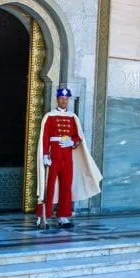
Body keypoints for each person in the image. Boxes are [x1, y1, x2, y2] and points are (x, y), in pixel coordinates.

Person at [36, 87, 102, 229]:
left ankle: (63, 216)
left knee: (66, 186)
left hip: (67, 156)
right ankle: (44, 216)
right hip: (53, 155)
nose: (64, 101)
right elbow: (45, 137)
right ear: (57, 99)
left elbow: (78, 136)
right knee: (49, 186)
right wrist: (45, 155)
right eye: (61, 99)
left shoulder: (73, 117)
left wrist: (72, 142)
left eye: (66, 99)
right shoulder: (49, 116)